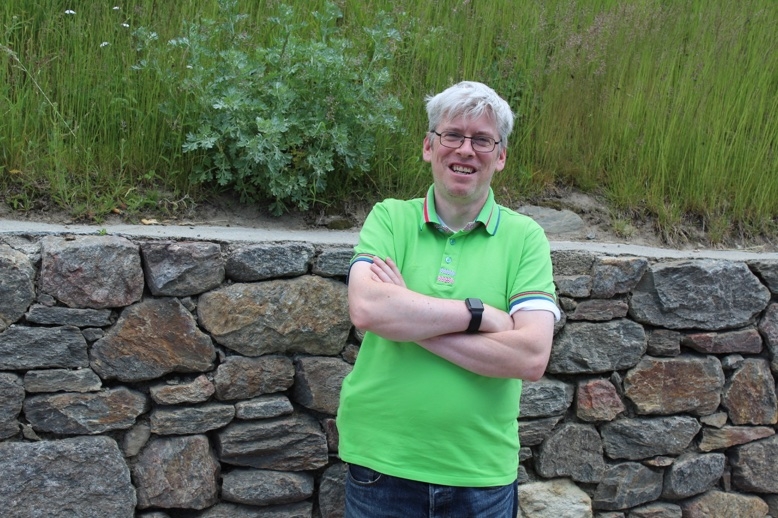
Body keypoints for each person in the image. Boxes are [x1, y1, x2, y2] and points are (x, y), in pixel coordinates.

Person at [336, 81, 560, 518]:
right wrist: (480, 315)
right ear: (428, 146)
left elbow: (531, 356)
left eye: (482, 140)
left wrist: (407, 315)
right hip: (381, 465)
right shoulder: (390, 218)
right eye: (452, 135)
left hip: (480, 474)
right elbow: (367, 309)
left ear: (500, 156)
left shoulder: (525, 238)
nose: (465, 150)